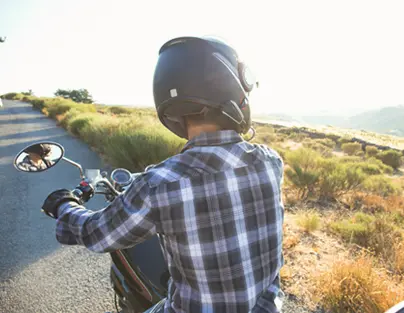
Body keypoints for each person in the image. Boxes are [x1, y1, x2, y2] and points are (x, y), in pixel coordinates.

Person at [41, 36, 285, 313]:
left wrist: (64, 206)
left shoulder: (159, 185)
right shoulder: (270, 162)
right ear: (232, 92)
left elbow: (98, 234)